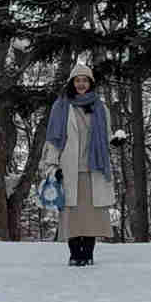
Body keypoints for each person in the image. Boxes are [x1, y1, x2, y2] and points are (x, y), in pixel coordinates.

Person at [44, 59, 116, 266]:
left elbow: (107, 136)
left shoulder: (101, 108)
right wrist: (52, 165)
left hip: (94, 168)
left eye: (85, 80)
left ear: (91, 83)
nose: (81, 84)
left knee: (91, 216)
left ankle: (89, 255)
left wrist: (116, 141)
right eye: (78, 80)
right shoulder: (61, 107)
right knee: (72, 215)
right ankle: (75, 255)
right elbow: (54, 140)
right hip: (69, 168)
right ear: (72, 83)